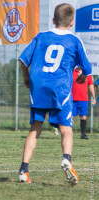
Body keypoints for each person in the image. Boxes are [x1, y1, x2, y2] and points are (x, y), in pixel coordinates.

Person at [17, 3, 91, 185]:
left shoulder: (41, 36)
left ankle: (23, 170)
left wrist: (26, 78)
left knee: (35, 128)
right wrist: (81, 79)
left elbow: (22, 58)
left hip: (39, 87)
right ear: (72, 22)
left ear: (53, 20)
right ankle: (66, 158)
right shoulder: (74, 41)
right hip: (60, 89)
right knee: (66, 129)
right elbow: (86, 70)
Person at [72, 66, 96, 139]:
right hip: (72, 99)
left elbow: (91, 86)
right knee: (70, 117)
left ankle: (83, 134)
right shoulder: (72, 72)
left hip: (83, 99)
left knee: (83, 117)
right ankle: (67, 133)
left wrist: (94, 97)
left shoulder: (88, 74)